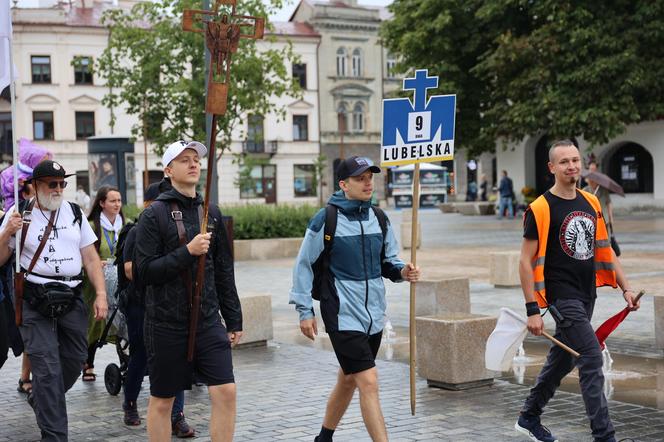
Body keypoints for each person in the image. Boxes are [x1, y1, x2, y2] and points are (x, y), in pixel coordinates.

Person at [515, 140, 640, 442]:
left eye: (575, 160)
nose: (571, 166)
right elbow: (524, 260)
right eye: (564, 162)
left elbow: (605, 249)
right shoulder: (540, 208)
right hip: (561, 296)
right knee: (591, 356)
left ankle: (529, 416)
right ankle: (604, 436)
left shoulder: (591, 202)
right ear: (552, 168)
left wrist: (626, 288)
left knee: (562, 359)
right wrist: (533, 309)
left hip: (587, 295)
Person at [289, 156, 420, 442]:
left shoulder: (379, 218)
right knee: (369, 382)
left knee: (349, 378)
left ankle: (323, 437)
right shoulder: (326, 219)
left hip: (374, 316)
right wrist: (304, 310)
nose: (367, 182)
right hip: (342, 314)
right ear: (343, 184)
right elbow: (303, 264)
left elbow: (389, 262)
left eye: (370, 177)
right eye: (360, 178)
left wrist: (402, 271)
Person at [134, 140, 242, 442]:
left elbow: (223, 270)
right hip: (165, 324)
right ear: (168, 170)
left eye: (196, 159)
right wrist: (188, 252)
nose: (193, 164)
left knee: (226, 391)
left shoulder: (213, 213)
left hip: (208, 321)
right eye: (184, 160)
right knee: (163, 401)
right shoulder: (153, 215)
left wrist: (234, 319)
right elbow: (143, 273)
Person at [0, 159, 108, 441]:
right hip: (33, 299)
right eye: (52, 184)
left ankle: (42, 399)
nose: (59, 188)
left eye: (62, 183)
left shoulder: (74, 212)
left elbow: (90, 256)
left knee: (74, 359)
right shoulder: (19, 213)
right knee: (46, 368)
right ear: (35, 186)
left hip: (71, 296)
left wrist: (100, 293)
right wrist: (7, 233)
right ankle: (55, 436)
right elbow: (1, 258)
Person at [118, 179, 195, 437]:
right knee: (141, 355)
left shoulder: (181, 228)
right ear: (150, 204)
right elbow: (130, 269)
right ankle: (130, 403)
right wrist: (164, 266)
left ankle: (178, 416)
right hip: (141, 304)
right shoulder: (136, 231)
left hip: (174, 305)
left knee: (179, 360)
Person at [82, 185, 124, 381]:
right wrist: (97, 262)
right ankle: (88, 364)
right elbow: (83, 256)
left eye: (119, 201)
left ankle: (124, 363)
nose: (117, 205)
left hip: (118, 281)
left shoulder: (125, 225)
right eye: (112, 201)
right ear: (101, 203)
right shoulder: (91, 226)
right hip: (94, 284)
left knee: (119, 321)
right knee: (95, 322)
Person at [583, 161, 615, 237]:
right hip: (590, 220)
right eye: (591, 169)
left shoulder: (603, 190)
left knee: (604, 242)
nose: (593, 171)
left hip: (604, 219)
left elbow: (608, 203)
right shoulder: (585, 190)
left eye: (594, 169)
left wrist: (610, 218)